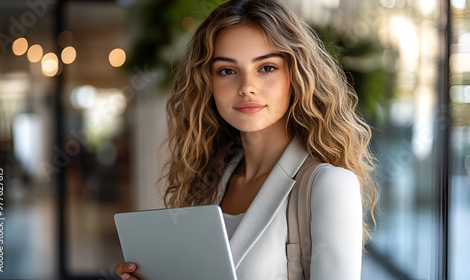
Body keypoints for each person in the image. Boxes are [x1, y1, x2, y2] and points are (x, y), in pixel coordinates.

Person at [116, 0, 377, 279]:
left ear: (297, 75)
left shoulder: (328, 185)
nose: (247, 88)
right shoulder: (208, 182)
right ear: (209, 84)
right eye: (227, 71)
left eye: (266, 67)